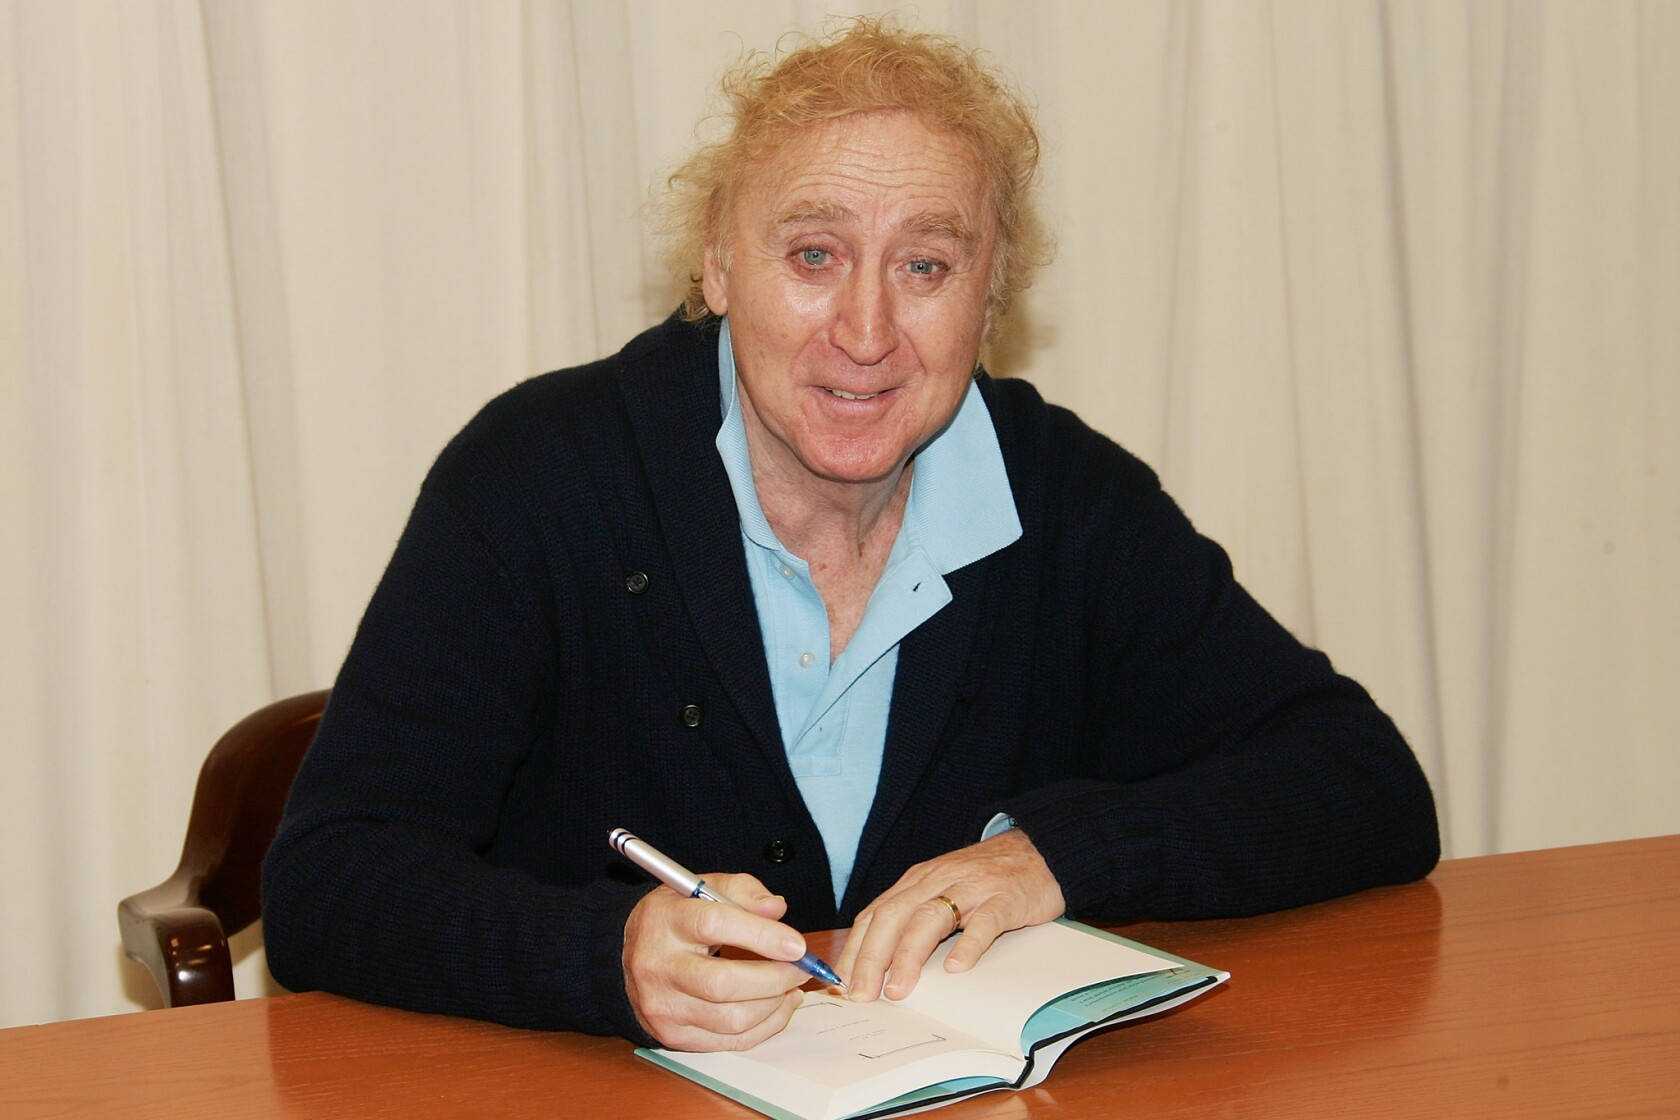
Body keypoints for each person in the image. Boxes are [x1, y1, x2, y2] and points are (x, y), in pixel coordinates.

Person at [262, 17, 1438, 1054]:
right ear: (717, 265)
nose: (867, 331)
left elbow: (1366, 784)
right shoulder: (539, 479)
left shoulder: (1063, 495)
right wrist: (603, 953)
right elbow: (328, 880)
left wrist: (1057, 857)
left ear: (992, 299)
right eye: (814, 255)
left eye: (927, 264)